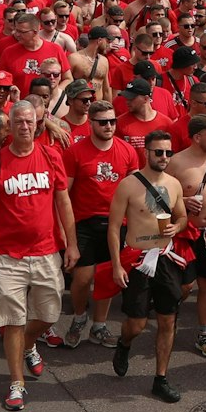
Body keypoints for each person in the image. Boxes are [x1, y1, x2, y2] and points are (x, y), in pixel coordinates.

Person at [0, 98, 77, 412]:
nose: (26, 127)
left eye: (31, 122)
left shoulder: (50, 155)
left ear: (37, 124)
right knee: (13, 320)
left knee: (49, 314)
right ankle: (16, 382)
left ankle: (29, 345)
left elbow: (64, 204)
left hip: (46, 251)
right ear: (10, 126)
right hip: (7, 256)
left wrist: (71, 244)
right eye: (19, 122)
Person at [105, 131, 188, 402]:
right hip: (138, 260)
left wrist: (179, 225)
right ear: (147, 153)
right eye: (158, 152)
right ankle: (124, 343)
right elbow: (114, 227)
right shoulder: (128, 185)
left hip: (165, 258)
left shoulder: (174, 185)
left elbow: (183, 216)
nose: (164, 157)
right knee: (137, 324)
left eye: (168, 152)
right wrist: (117, 265)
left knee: (167, 320)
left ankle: (160, 378)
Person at [61, 101, 142, 350]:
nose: (109, 126)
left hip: (117, 224)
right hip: (84, 221)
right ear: (91, 124)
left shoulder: (127, 151)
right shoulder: (75, 152)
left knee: (107, 278)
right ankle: (78, 317)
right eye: (103, 122)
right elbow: (64, 194)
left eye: (112, 121)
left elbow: (134, 191)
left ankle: (99, 325)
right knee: (83, 278)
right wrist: (66, 236)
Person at [164, 114, 206, 358]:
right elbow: (160, 199)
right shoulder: (176, 163)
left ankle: (204, 333)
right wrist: (183, 201)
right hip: (184, 234)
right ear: (196, 137)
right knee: (184, 286)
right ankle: (168, 320)